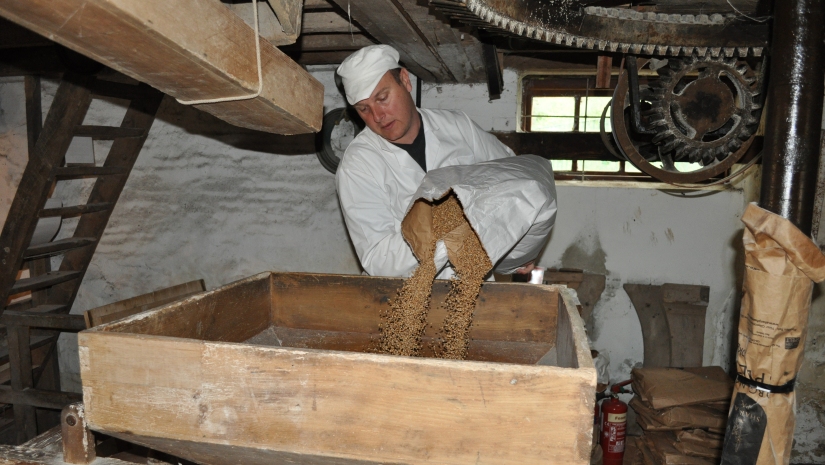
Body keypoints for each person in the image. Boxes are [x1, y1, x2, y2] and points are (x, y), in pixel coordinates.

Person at [336, 45, 531, 278]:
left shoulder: (458, 126)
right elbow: (379, 259)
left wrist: (522, 244)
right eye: (364, 109)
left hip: (478, 289)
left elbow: (512, 174)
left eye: (382, 98)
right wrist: (443, 228)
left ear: (405, 81)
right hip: (406, 299)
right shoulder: (358, 165)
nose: (377, 116)